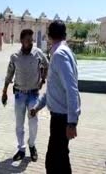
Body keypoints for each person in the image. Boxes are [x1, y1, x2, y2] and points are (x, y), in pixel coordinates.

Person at [31, 20, 81, 174]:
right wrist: (39, 106)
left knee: (53, 162)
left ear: (48, 35)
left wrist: (72, 122)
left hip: (61, 119)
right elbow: (56, 88)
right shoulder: (64, 52)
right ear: (65, 34)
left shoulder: (59, 55)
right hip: (60, 117)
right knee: (60, 159)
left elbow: (71, 88)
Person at [2, 29, 49, 162]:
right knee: (19, 124)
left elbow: (46, 65)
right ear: (22, 40)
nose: (31, 41)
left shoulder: (38, 53)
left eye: (32, 39)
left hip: (33, 94)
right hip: (19, 95)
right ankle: (21, 149)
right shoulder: (15, 56)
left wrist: (43, 79)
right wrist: (4, 91)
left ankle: (32, 145)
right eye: (28, 39)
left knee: (33, 123)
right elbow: (9, 74)